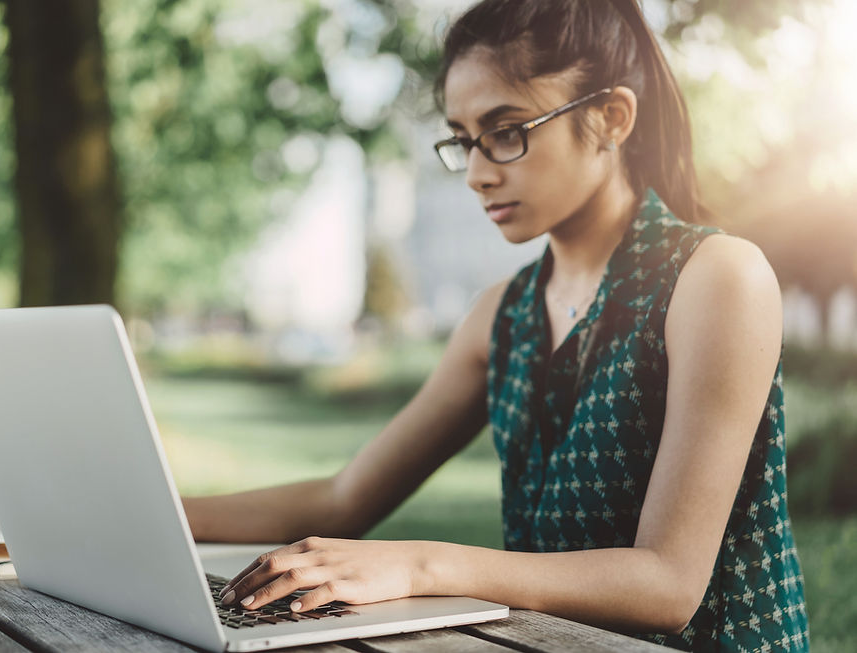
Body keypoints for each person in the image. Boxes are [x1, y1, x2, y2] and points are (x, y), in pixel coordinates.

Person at [182, 1, 809, 650]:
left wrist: (418, 565)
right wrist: (155, 515)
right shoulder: (502, 316)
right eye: (463, 139)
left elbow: (668, 584)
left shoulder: (716, 278)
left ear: (611, 118)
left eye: (507, 130)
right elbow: (344, 498)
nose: (478, 174)